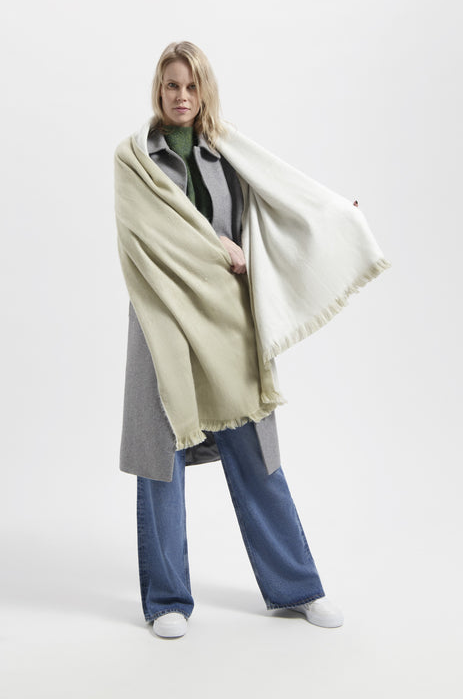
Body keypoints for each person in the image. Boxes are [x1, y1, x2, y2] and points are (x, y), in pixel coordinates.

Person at [116, 40, 366, 639]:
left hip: (227, 322)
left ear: (204, 91)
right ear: (158, 90)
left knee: (257, 458)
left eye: (191, 86)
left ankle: (297, 588)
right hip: (163, 322)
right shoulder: (134, 159)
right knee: (162, 463)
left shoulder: (226, 153)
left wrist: (329, 219)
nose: (181, 96)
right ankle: (167, 599)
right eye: (172, 85)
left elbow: (274, 211)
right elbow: (153, 237)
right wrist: (219, 246)